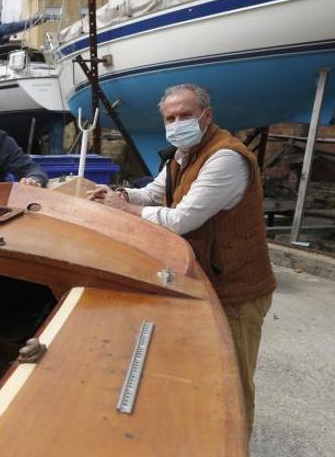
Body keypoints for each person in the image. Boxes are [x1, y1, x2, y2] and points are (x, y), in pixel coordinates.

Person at [87, 83, 276, 431]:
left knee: (232, 382)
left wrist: (123, 210)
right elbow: (155, 192)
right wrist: (119, 193)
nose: (176, 123)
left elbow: (180, 219)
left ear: (207, 116)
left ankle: (234, 446)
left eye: (185, 115)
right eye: (170, 118)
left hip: (236, 289)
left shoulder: (226, 158)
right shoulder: (182, 154)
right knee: (206, 373)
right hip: (208, 279)